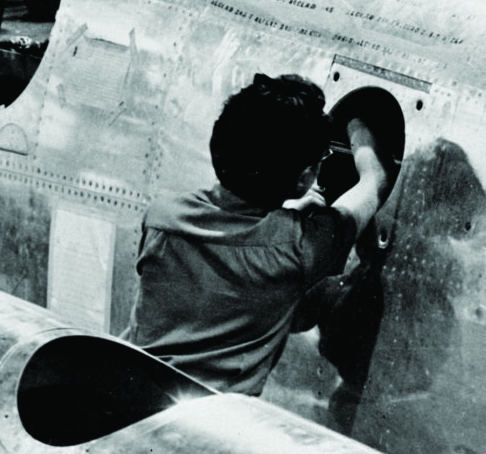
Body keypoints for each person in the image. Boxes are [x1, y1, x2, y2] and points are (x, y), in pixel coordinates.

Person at [130, 74, 391, 396]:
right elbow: (373, 182)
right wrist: (359, 131)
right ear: (305, 177)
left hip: (134, 395)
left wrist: (287, 209)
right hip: (215, 421)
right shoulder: (299, 248)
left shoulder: (161, 217)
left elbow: (228, 244)